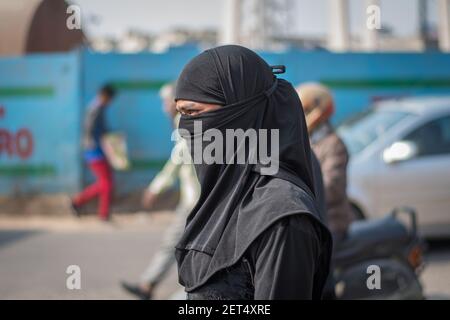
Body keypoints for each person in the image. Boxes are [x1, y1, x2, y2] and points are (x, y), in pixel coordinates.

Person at [173, 45, 332, 300]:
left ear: (240, 113)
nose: (185, 129)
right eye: (182, 114)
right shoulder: (223, 196)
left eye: (193, 113)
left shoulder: (281, 215)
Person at [121, 83, 200, 300]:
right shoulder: (188, 122)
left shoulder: (184, 123)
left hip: (194, 199)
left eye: (166, 102)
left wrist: (156, 188)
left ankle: (157, 286)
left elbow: (176, 161)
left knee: (177, 243)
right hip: (196, 196)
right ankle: (150, 284)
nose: (164, 107)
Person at [296, 82, 352, 241]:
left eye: (306, 110)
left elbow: (332, 187)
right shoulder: (307, 140)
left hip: (332, 223)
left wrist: (298, 196)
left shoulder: (334, 144)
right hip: (314, 218)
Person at [71, 84, 116, 221]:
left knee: (106, 182)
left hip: (99, 150)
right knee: (106, 183)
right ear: (105, 96)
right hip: (94, 151)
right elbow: (89, 130)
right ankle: (99, 212)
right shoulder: (95, 109)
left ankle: (81, 203)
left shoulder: (99, 108)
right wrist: (92, 145)